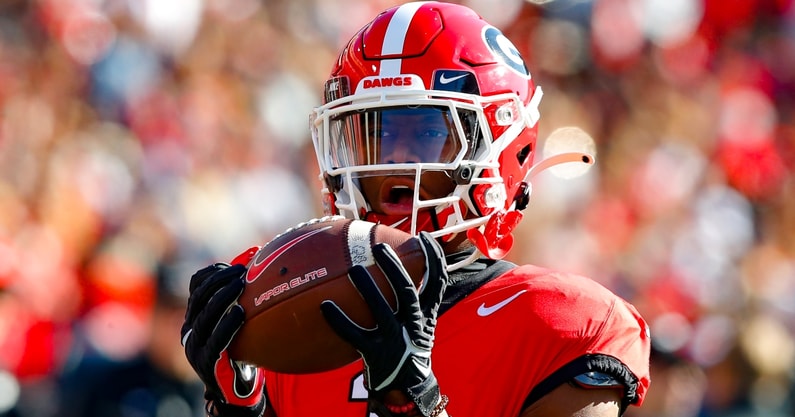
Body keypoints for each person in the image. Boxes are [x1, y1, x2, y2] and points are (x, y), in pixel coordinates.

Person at [180, 2, 651, 417]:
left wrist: (414, 406)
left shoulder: (557, 322)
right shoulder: (292, 300)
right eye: (372, 136)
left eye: (426, 134)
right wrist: (242, 410)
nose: (392, 166)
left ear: (504, 146)